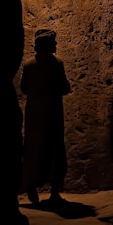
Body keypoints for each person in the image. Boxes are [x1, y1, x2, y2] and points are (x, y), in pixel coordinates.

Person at [20, 29, 71, 204]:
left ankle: (31, 187)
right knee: (54, 149)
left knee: (33, 149)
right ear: (49, 45)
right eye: (54, 43)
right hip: (53, 113)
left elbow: (24, 89)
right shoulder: (57, 63)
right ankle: (54, 191)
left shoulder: (28, 64)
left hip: (34, 115)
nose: (56, 45)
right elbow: (65, 88)